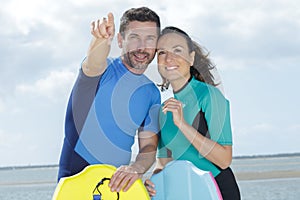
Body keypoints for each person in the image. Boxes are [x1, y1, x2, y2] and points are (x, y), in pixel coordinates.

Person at [57, 7, 161, 193]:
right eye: (135, 37)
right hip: (75, 181)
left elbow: (149, 147)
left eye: (150, 39)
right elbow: (94, 62)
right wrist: (101, 41)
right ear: (120, 40)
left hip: (115, 186)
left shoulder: (152, 93)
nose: (142, 46)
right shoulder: (102, 71)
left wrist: (135, 169)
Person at [145, 26, 240, 199]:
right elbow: (163, 162)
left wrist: (182, 124)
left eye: (177, 50)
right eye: (162, 53)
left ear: (191, 58)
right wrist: (153, 181)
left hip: (217, 189)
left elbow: (224, 159)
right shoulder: (164, 110)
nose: (169, 58)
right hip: (186, 192)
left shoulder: (210, 96)